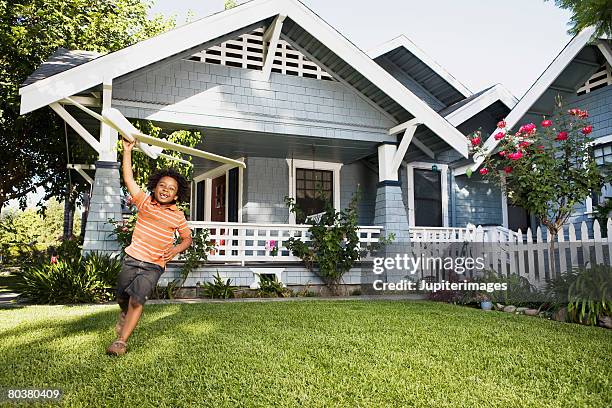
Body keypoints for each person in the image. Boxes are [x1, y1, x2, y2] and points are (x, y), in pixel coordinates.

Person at [106, 138, 193, 356]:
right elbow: (128, 179)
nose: (165, 190)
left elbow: (187, 239)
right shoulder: (144, 202)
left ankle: (121, 341)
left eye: (171, 188)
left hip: (154, 264)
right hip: (132, 258)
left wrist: (175, 250)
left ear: (176, 194)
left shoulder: (178, 215)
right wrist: (127, 151)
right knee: (122, 296)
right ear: (155, 187)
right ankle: (124, 314)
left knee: (138, 298)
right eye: (162, 185)